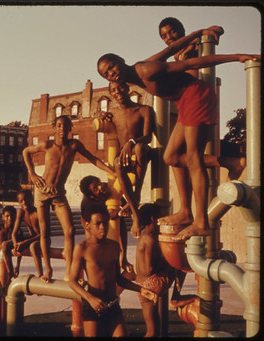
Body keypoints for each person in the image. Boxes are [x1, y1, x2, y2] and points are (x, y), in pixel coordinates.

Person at [97, 38, 259, 240]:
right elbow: (168, 51)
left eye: (111, 67)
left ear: (120, 61)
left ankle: (201, 223)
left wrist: (237, 57)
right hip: (185, 101)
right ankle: (225, 169)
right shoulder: (136, 72)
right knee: (171, 157)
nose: (112, 74)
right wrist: (196, 33)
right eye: (106, 74)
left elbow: (191, 64)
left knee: (193, 159)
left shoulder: (144, 70)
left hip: (195, 95)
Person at [23, 115, 115, 283]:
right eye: (58, 125)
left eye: (65, 126)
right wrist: (33, 174)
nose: (62, 129)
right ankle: (48, 270)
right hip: (42, 191)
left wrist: (110, 170)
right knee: (44, 232)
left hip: (58, 193)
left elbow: (92, 158)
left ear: (70, 128)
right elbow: (25, 152)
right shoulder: (47, 145)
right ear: (54, 127)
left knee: (70, 230)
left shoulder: (74, 145)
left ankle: (68, 272)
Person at [156, 18, 247, 180]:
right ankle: (230, 162)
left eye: (172, 31)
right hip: (186, 105)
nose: (169, 37)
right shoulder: (176, 56)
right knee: (174, 156)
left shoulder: (195, 46)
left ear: (182, 31)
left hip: (197, 101)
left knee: (182, 155)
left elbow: (218, 28)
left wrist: (194, 41)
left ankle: (230, 162)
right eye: (164, 35)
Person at [68, 204, 157, 337]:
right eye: (97, 223)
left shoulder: (114, 246)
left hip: (112, 304)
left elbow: (118, 278)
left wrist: (140, 289)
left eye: (105, 222)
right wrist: (90, 299)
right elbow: (72, 281)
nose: (103, 226)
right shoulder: (82, 249)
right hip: (93, 306)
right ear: (87, 225)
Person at [107, 80, 155, 238]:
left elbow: (148, 136)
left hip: (141, 148)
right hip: (124, 155)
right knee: (117, 163)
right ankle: (136, 216)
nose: (118, 92)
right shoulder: (112, 113)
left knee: (140, 148)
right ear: (111, 94)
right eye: (113, 90)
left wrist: (132, 142)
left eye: (120, 87)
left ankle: (137, 195)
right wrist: (99, 116)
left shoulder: (144, 110)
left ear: (127, 88)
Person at [134, 203, 176, 337]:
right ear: (153, 218)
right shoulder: (150, 238)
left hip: (142, 285)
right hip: (151, 284)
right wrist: (168, 263)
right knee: (180, 265)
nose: (163, 218)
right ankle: (177, 297)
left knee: (154, 330)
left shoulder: (144, 235)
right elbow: (148, 268)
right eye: (160, 216)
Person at [79, 176, 132, 273]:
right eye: (95, 189)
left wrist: (125, 210)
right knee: (94, 248)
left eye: (98, 183)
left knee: (120, 223)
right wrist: (113, 213)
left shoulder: (109, 188)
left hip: (107, 216)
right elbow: (92, 221)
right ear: (92, 196)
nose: (100, 187)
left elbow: (124, 203)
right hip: (90, 222)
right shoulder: (88, 203)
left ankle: (123, 259)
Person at [9, 189, 43, 277]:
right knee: (5, 245)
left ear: (31, 200)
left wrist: (25, 242)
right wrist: (15, 243)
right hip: (31, 238)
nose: (24, 203)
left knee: (33, 246)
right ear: (18, 202)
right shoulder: (21, 212)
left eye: (26, 200)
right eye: (21, 201)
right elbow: (14, 233)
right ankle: (12, 272)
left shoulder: (37, 212)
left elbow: (43, 234)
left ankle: (40, 275)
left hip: (42, 239)